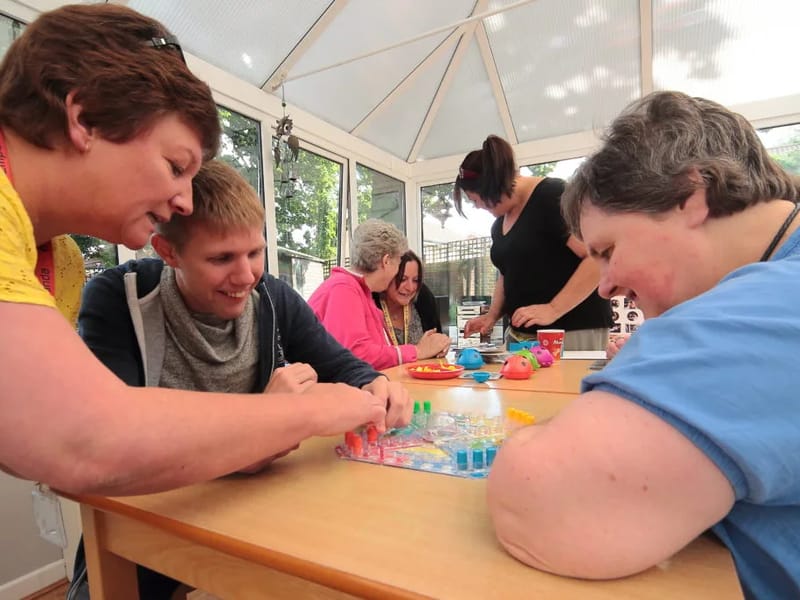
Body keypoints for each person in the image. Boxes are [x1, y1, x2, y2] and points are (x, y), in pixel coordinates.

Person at [0, 4, 391, 500]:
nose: (183, 200)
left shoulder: (60, 261)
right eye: (174, 164)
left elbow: (34, 444)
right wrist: (306, 412)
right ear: (84, 119)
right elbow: (84, 444)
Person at [486, 91, 800, 599]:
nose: (605, 284)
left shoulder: (766, 304)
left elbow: (539, 500)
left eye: (608, 251)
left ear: (691, 196)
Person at [69, 159, 410, 599]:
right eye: (221, 258)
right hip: (148, 523)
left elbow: (343, 364)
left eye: (255, 252)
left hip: (253, 518)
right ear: (167, 251)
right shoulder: (118, 300)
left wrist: (375, 385)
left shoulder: (271, 294)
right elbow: (119, 446)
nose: (246, 275)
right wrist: (268, 417)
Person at [453, 135, 612, 350]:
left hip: (573, 330)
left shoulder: (552, 196)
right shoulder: (499, 224)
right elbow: (506, 272)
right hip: (524, 336)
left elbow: (596, 259)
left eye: (475, 200)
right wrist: (492, 316)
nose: (479, 207)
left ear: (493, 186)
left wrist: (553, 308)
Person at [309, 219, 450, 369]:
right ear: (386, 261)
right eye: (398, 263)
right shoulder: (343, 289)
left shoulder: (359, 290)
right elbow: (356, 355)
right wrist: (418, 351)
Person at [372, 249, 444, 346]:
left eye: (416, 280)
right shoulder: (370, 302)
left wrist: (441, 346)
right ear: (387, 277)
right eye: (402, 279)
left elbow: (437, 338)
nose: (410, 288)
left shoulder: (423, 296)